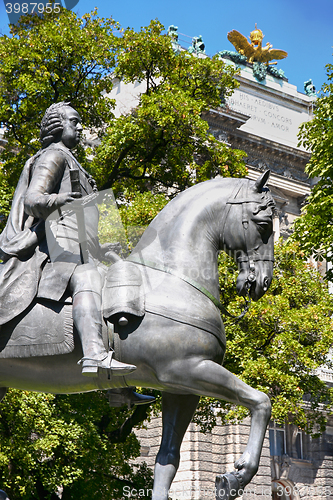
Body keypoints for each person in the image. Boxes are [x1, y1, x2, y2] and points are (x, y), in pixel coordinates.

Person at [0, 102, 135, 377]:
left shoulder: (75, 162)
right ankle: (94, 355)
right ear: (58, 125)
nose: (80, 126)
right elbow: (32, 200)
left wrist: (106, 247)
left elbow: (83, 222)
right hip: (54, 248)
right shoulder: (54, 156)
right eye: (74, 121)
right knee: (87, 277)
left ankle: (119, 387)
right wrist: (60, 200)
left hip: (78, 247)